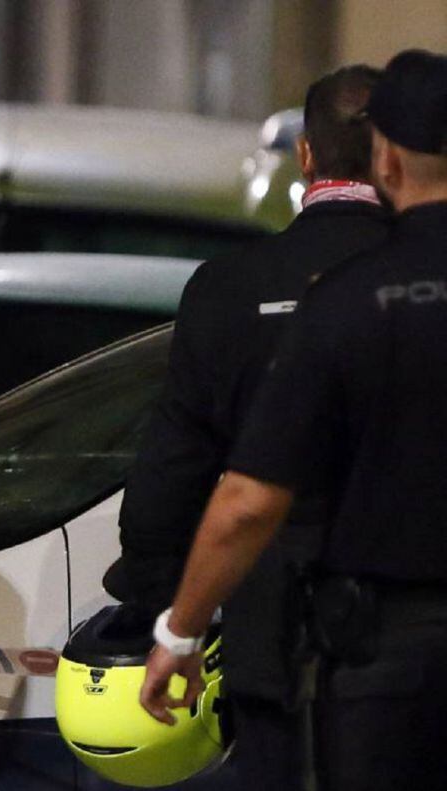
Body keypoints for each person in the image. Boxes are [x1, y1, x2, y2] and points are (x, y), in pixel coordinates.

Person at [140, 49, 447, 791]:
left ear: (387, 160)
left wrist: (177, 625)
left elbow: (237, 498)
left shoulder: (333, 300)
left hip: (345, 653)